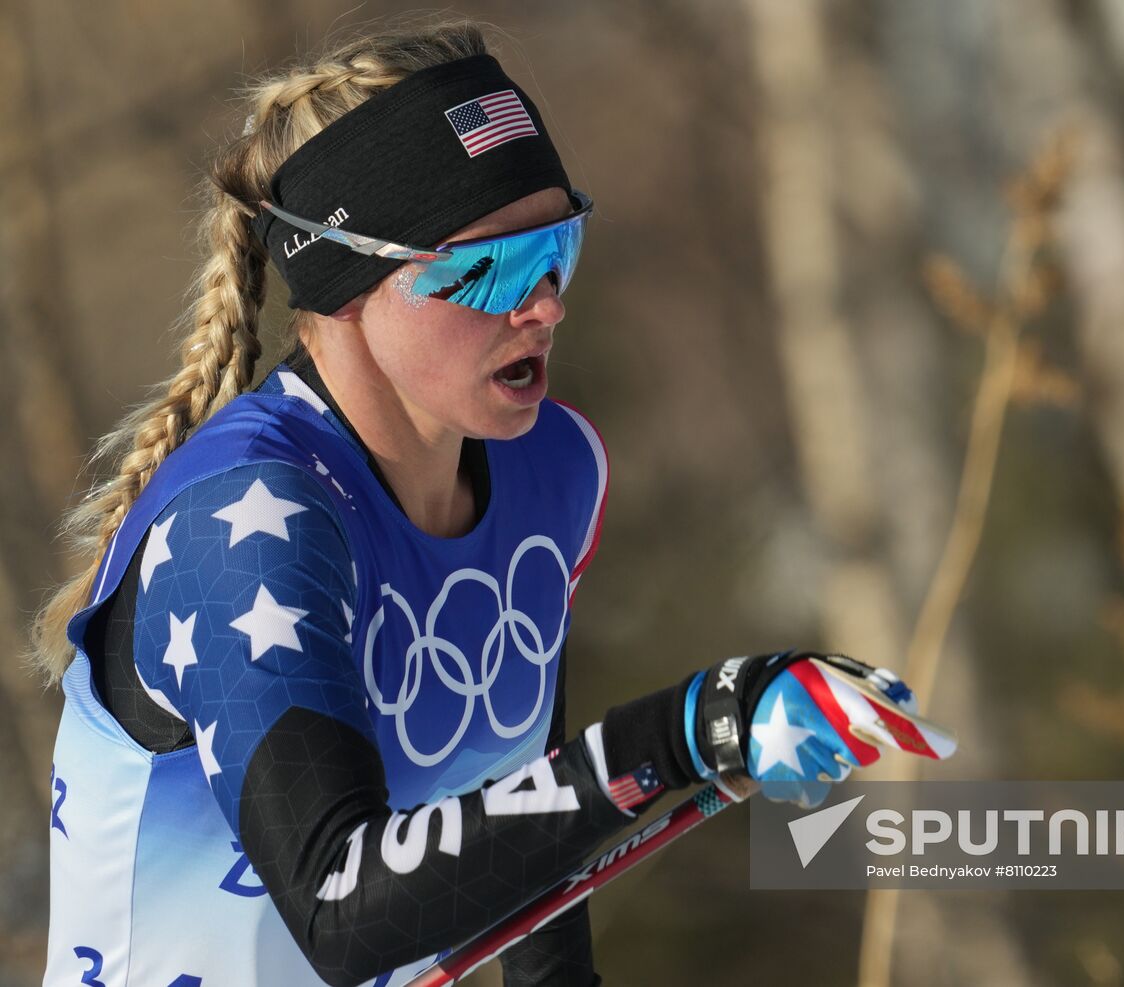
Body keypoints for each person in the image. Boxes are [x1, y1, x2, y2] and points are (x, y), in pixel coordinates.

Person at [27, 18, 920, 987]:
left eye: (557, 251)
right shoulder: (246, 525)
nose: (543, 304)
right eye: (490, 268)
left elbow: (521, 847)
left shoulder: (551, 474)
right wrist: (682, 730)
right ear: (348, 284)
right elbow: (341, 906)